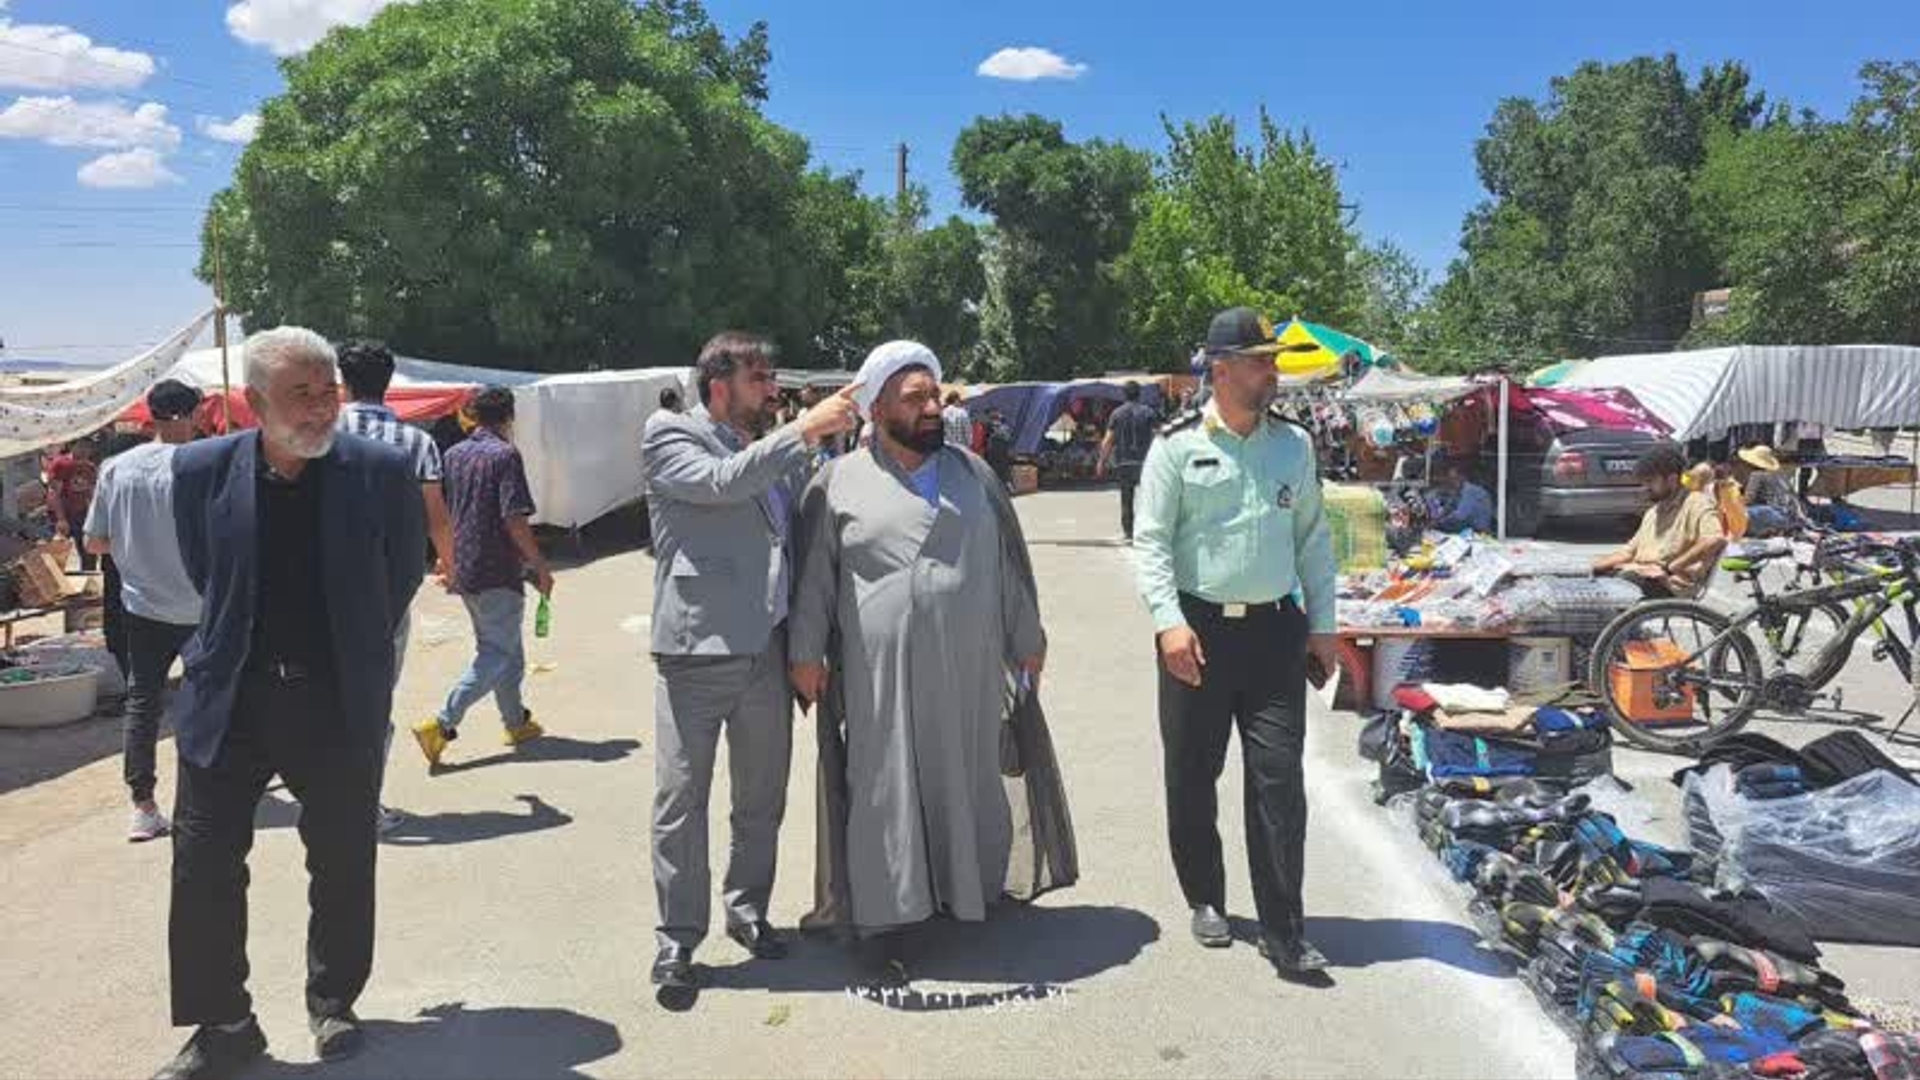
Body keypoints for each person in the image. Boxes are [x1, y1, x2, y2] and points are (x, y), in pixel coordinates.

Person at [155, 327, 425, 1080]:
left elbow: (403, 571)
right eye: (301, 394)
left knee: (342, 858)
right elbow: (208, 572)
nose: (320, 408)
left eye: (327, 390)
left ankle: (333, 999)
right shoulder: (201, 468)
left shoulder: (379, 468)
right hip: (229, 699)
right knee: (202, 862)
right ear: (255, 401)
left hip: (335, 697)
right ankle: (224, 1024)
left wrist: (354, 648)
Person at [788, 341, 1072, 972]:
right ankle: (888, 917)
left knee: (965, 773)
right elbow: (813, 580)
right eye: (913, 399)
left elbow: (1008, 566)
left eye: (934, 397)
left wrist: (1027, 639)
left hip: (968, 668)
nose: (930, 410)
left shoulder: (975, 474)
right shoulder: (835, 483)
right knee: (884, 784)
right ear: (877, 406)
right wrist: (806, 654)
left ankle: (961, 891)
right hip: (879, 674)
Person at [642, 331, 860, 999]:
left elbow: (800, 530)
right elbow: (718, 485)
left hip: (768, 648)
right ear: (719, 385)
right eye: (759, 378)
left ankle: (748, 911)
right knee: (682, 801)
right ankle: (679, 939)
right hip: (696, 651)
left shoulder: (778, 452)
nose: (772, 389)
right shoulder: (670, 434)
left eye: (772, 377)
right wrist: (801, 431)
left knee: (760, 798)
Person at [1132, 307, 1340, 980]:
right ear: (1220, 370)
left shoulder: (1294, 447)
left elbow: (1313, 538)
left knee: (1279, 781)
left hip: (1276, 630)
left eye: (1273, 360)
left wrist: (1324, 626)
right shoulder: (1175, 445)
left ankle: (1284, 929)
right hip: (1199, 632)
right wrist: (1167, 620)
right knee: (1193, 774)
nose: (1272, 370)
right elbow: (1153, 542)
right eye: (1260, 360)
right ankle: (1206, 896)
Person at [335, 340, 454, 833]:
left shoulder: (316, 433)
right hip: (388, 592)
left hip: (322, 586)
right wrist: (453, 565)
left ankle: (327, 798)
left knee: (323, 693)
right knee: (375, 695)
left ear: (341, 381)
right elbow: (436, 519)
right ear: (390, 384)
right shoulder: (418, 443)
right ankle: (364, 802)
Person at [82, 379, 203, 844]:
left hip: (141, 605)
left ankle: (143, 806)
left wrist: (135, 550)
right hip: (200, 604)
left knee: (144, 703)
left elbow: (95, 542)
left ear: (152, 416)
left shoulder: (116, 467)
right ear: (190, 415)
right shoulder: (205, 464)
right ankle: (202, 793)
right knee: (208, 700)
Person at [411, 387, 552, 768]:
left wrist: (446, 560)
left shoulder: (455, 455)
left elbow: (450, 511)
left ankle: (515, 721)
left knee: (505, 649)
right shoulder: (505, 455)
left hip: (467, 566)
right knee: (497, 652)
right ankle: (441, 724)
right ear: (509, 417)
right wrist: (538, 563)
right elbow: (514, 517)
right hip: (497, 568)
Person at [1593, 444, 1726, 598]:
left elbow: (1714, 539)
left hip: (1670, 584)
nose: (1645, 487)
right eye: (1644, 482)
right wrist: (1592, 568)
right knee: (1597, 580)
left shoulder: (1697, 503)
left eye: (1650, 481)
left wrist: (1671, 568)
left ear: (1672, 479)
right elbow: (1629, 552)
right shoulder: (1653, 512)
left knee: (1621, 585)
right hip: (1642, 573)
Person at [1097, 382, 1161, 541]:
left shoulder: (1116, 414)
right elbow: (1159, 436)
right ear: (1139, 394)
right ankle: (1148, 530)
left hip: (1124, 462)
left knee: (1126, 499)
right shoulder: (1148, 412)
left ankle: (1128, 533)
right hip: (1145, 463)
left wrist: (1101, 461)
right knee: (1149, 499)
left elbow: (1108, 440)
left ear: (1124, 395)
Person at [47, 438, 101, 568]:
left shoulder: (90, 467)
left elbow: (92, 493)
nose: (84, 450)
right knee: (56, 554)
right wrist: (61, 518)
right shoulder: (61, 464)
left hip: (81, 512)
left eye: (88, 447)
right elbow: (55, 493)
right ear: (72, 446)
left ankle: (89, 583)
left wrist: (95, 515)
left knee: (89, 551)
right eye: (81, 446)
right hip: (61, 512)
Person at [1735, 444, 1809, 538]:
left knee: (1740, 512)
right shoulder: (1780, 475)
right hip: (1791, 516)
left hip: (1774, 514)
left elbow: (1748, 500)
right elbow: (1793, 496)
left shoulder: (1757, 475)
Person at [1426, 458, 1495, 534]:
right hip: (1469, 530)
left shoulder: (1471, 491)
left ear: (1463, 477)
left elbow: (1460, 515)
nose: (1452, 482)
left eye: (1454, 478)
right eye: (1450, 479)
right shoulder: (1459, 491)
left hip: (1479, 533)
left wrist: (1438, 522)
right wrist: (1437, 517)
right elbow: (1449, 507)